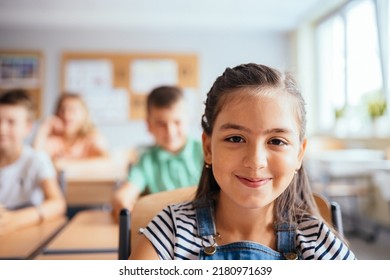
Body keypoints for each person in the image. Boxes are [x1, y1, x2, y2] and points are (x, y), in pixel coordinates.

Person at [130, 63, 356, 260]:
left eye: (276, 141)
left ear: (299, 154)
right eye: (235, 138)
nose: (256, 161)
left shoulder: (316, 241)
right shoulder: (173, 231)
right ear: (208, 148)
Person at [112, 86, 203, 219]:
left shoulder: (206, 151)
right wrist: (122, 201)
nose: (170, 132)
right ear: (149, 125)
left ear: (188, 119)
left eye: (177, 122)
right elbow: (125, 193)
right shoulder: (146, 160)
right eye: (161, 124)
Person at [0, 89, 66, 235]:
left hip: (24, 233)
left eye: (11, 122)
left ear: (28, 127)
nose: (2, 129)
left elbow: (58, 204)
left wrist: (15, 220)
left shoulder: (36, 159)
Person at [33, 93, 109, 170]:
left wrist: (63, 164)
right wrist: (44, 128)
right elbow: (35, 162)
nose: (66, 115)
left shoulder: (92, 138)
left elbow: (107, 162)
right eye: (62, 110)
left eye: (72, 110)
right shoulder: (54, 140)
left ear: (84, 114)